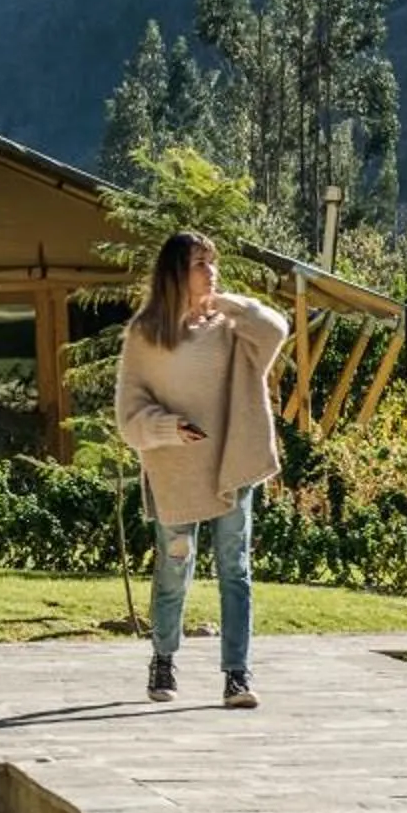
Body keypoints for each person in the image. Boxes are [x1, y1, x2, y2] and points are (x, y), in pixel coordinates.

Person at [112, 231, 289, 708]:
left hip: (232, 461)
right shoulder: (145, 335)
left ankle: (237, 674)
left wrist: (226, 301)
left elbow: (276, 329)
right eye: (198, 264)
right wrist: (169, 428)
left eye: (213, 263)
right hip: (175, 468)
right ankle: (163, 659)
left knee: (236, 568)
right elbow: (129, 417)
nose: (210, 271)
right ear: (175, 272)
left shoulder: (231, 327)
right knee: (175, 566)